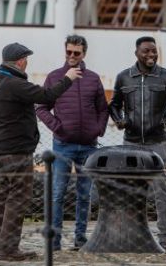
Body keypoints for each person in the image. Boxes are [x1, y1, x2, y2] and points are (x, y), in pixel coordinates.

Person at [0, 42, 82, 262]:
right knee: (18, 198)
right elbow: (47, 96)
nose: (27, 62)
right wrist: (68, 78)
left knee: (3, 198)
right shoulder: (14, 83)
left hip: (0, 148)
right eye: (26, 58)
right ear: (19, 61)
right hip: (17, 149)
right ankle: (8, 249)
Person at [109, 36, 166, 252]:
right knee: (130, 191)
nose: (151, 55)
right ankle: (131, 236)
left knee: (161, 191)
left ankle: (165, 239)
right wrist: (119, 120)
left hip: (158, 143)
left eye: (154, 51)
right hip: (131, 142)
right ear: (136, 52)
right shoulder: (123, 77)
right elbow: (114, 105)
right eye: (146, 51)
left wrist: (165, 122)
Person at [36, 34, 108, 251]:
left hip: (88, 146)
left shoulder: (93, 79)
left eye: (76, 53)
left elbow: (103, 109)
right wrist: (58, 127)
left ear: (84, 54)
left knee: (84, 194)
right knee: (57, 192)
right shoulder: (54, 77)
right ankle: (55, 241)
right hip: (62, 146)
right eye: (68, 52)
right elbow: (41, 107)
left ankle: (80, 239)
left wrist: (98, 129)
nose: (72, 56)